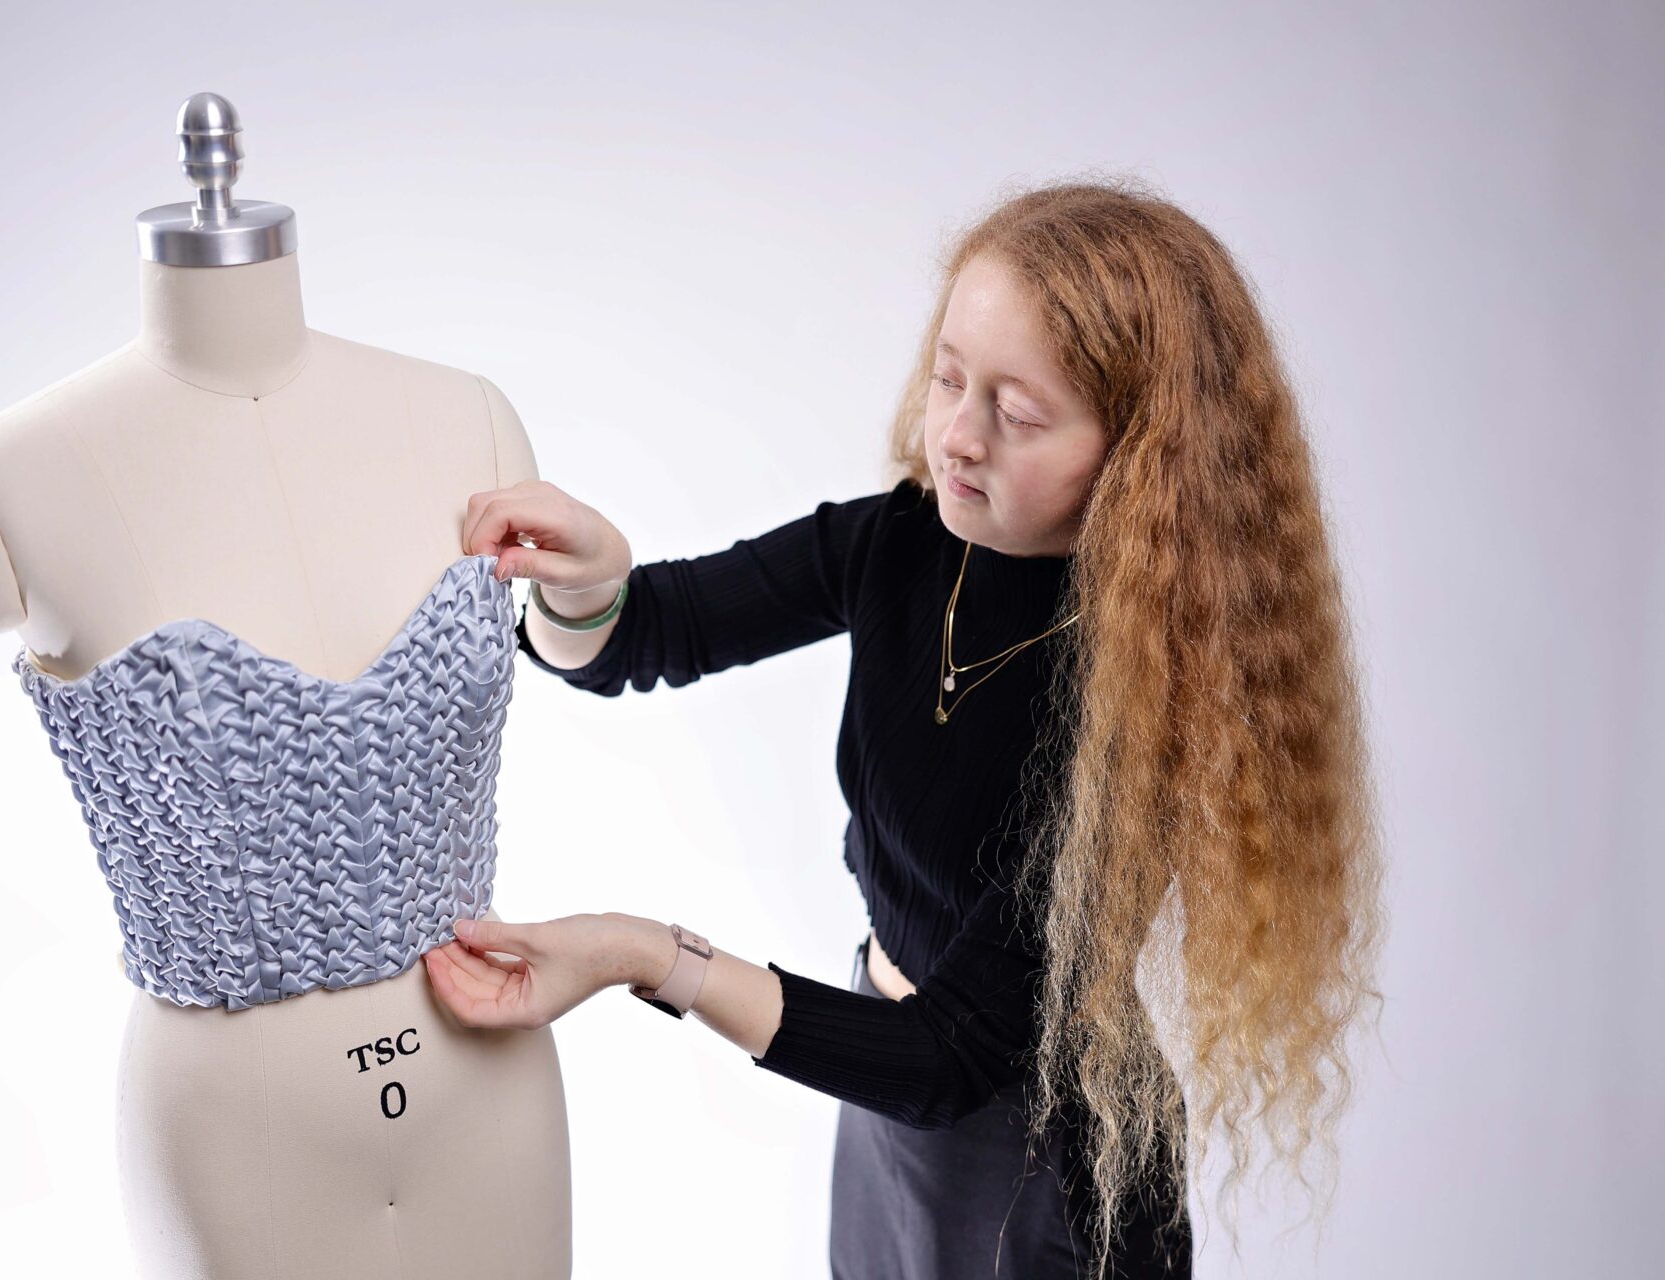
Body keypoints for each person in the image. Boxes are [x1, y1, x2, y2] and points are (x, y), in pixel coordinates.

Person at [422, 178, 1384, 1280]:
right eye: (950, 377)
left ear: (1140, 458)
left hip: (1033, 1158)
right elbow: (644, 634)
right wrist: (587, 581)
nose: (959, 438)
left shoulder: (1138, 703)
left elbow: (950, 1058)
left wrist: (645, 955)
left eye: (1019, 414)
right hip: (881, 1086)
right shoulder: (901, 544)